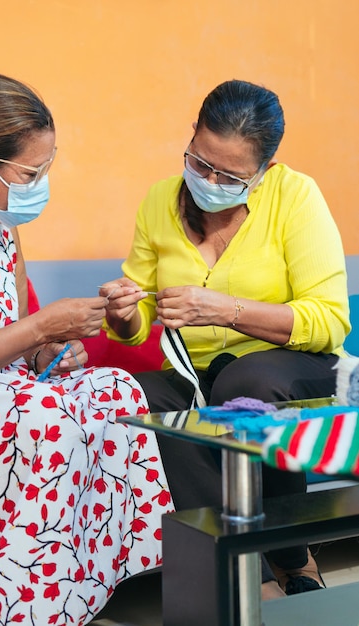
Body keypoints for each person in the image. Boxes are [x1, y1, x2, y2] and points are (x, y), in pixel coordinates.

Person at [100, 79, 350, 598]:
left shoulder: (295, 196)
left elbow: (328, 320)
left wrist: (224, 310)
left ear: (264, 172)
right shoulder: (158, 203)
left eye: (230, 176)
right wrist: (124, 312)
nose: (209, 180)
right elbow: (135, 325)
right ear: (192, 136)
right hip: (200, 374)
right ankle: (242, 580)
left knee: (245, 381)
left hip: (296, 363)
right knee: (134, 397)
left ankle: (288, 551)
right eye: (200, 162)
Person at [0, 72, 172, 626]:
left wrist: (50, 350)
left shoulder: (0, 229)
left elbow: (14, 336)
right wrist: (39, 329)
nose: (40, 184)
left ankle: (91, 584)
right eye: (30, 173)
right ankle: (14, 600)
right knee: (46, 413)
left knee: (114, 389)